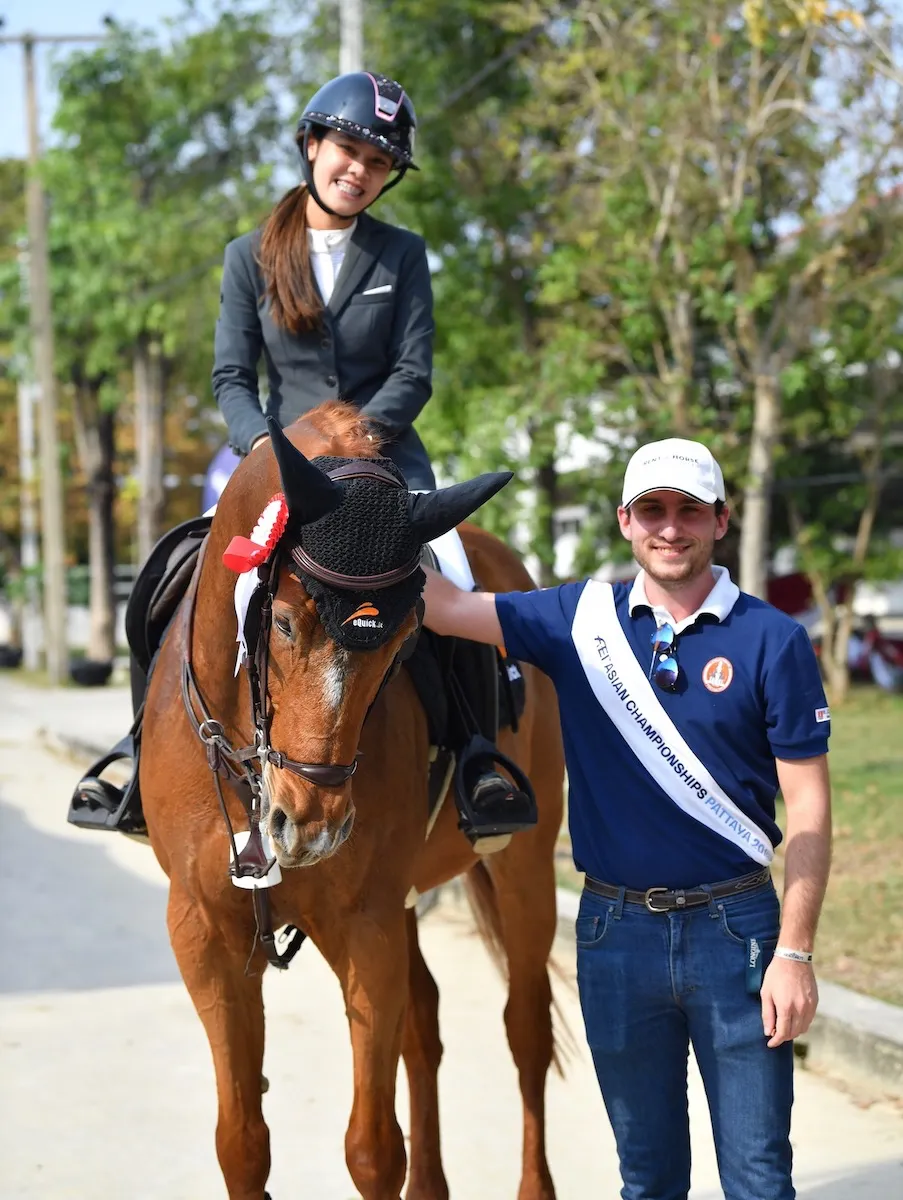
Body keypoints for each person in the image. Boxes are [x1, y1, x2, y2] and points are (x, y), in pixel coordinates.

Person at [421, 437, 833, 1200]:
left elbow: (809, 807)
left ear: (719, 520)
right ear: (624, 521)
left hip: (738, 932)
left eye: (687, 511)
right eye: (652, 510)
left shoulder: (773, 639)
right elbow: (442, 607)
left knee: (757, 1179)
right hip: (614, 937)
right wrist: (364, 511)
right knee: (645, 1182)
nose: (669, 528)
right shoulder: (578, 618)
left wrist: (795, 954)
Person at [211, 68, 472, 591]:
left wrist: (356, 439)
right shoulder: (247, 256)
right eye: (348, 149)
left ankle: (496, 676)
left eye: (378, 163)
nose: (359, 170)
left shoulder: (403, 254)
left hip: (388, 464)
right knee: (205, 590)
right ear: (312, 145)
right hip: (282, 465)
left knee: (458, 584)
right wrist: (265, 444)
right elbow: (232, 378)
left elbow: (412, 373)